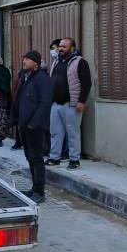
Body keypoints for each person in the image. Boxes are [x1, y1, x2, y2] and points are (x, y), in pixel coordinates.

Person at [10, 50, 53, 204]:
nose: (24, 61)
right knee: (29, 156)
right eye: (24, 59)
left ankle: (40, 191)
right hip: (24, 125)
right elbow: (18, 99)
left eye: (27, 59)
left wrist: (34, 123)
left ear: (36, 63)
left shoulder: (42, 79)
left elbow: (45, 103)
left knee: (36, 158)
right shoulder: (25, 77)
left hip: (35, 126)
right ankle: (34, 188)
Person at [46, 38, 91, 170]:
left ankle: (74, 160)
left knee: (73, 133)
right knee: (55, 132)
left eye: (64, 46)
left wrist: (81, 101)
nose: (60, 48)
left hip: (71, 105)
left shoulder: (80, 62)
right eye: (60, 46)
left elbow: (86, 83)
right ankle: (55, 158)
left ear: (72, 48)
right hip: (56, 104)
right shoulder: (56, 62)